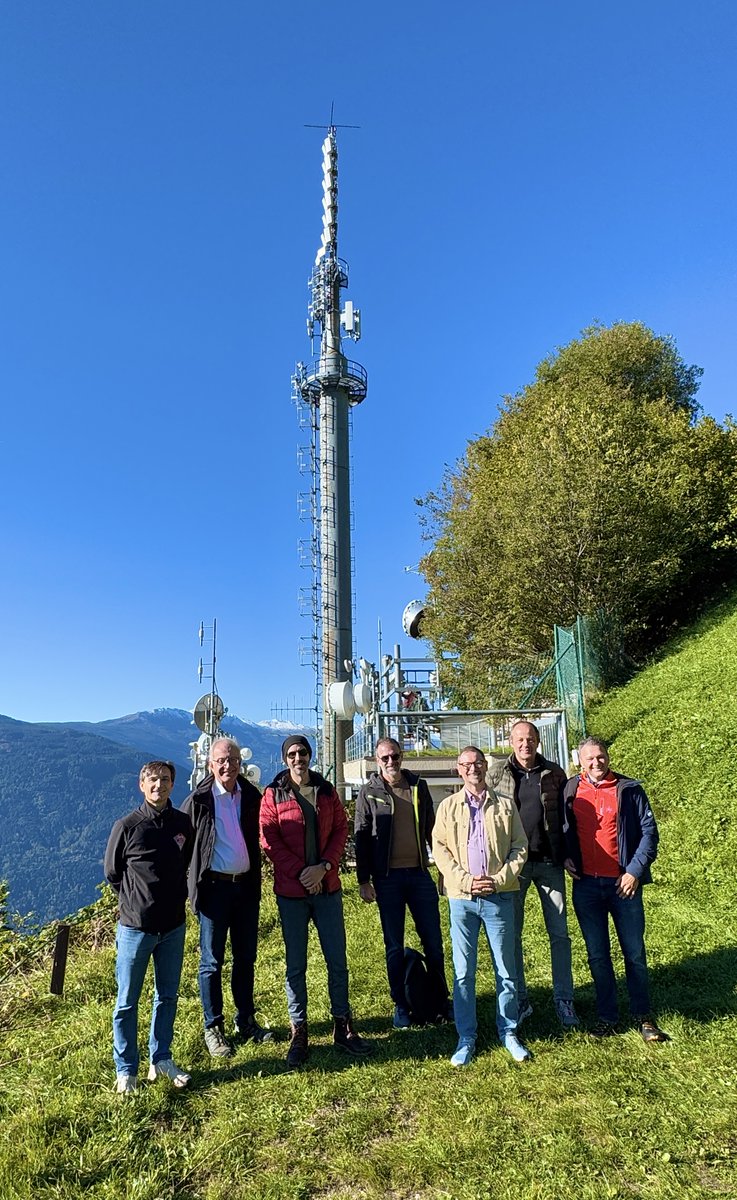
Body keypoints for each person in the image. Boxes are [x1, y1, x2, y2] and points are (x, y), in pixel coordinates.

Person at [260, 734, 373, 1068]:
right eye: (292, 754)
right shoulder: (273, 794)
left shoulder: (326, 791)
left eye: (303, 752)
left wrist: (324, 868)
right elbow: (269, 839)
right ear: (285, 760)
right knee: (296, 964)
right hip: (292, 893)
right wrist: (303, 873)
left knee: (337, 959)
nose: (298, 758)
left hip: (328, 888)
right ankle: (300, 1031)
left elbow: (341, 828)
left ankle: (342, 1025)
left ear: (310, 756)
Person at [563, 737, 667, 1042]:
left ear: (608, 758)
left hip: (624, 885)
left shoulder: (629, 789)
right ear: (580, 762)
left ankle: (643, 1016)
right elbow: (563, 829)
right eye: (590, 759)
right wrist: (566, 857)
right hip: (585, 887)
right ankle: (607, 1016)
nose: (597, 763)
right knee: (597, 955)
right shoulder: (570, 789)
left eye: (601, 756)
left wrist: (634, 872)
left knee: (633, 953)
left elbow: (649, 834)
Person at [432, 746, 529, 1065]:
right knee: (464, 973)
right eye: (466, 765)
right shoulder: (447, 807)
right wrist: (465, 881)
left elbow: (519, 847)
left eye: (477, 763)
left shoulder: (504, 805)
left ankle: (509, 1031)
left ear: (486, 767)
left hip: (499, 896)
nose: (472, 768)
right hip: (463, 900)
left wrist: (499, 879)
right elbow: (441, 851)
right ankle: (466, 1036)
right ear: (458, 770)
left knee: (507, 969)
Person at [104, 760, 194, 1093]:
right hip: (135, 929)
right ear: (142, 785)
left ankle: (162, 1060)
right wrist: (135, 902)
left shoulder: (183, 824)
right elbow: (113, 873)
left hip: (173, 926)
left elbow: (183, 863)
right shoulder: (127, 826)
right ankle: (126, 1070)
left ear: (173, 784)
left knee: (167, 996)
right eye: (153, 780)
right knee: (127, 1001)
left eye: (166, 780)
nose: (160, 785)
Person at [182, 736, 270, 1058]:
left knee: (246, 958)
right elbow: (180, 844)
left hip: (245, 887)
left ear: (240, 763)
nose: (227, 765)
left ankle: (245, 1021)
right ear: (210, 764)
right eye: (221, 760)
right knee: (212, 961)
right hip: (214, 889)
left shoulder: (250, 795)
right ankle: (213, 1027)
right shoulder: (199, 799)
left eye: (232, 760)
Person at [486, 720, 579, 1028]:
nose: (525, 744)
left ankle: (564, 1000)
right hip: (514, 867)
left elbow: (568, 818)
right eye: (520, 739)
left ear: (538, 741)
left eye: (530, 738)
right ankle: (521, 1000)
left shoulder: (554, 773)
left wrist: (568, 855)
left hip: (550, 864)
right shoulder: (498, 773)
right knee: (511, 936)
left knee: (560, 935)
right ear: (511, 742)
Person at [355, 737, 449, 1028]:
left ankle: (440, 1001)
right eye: (384, 758)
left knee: (433, 942)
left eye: (394, 756)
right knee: (394, 945)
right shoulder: (368, 793)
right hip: (387, 879)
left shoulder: (418, 787)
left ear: (402, 756)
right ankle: (401, 1005)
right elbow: (361, 836)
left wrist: (442, 869)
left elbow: (434, 830)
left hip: (419, 875)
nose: (391, 762)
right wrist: (363, 880)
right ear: (376, 760)